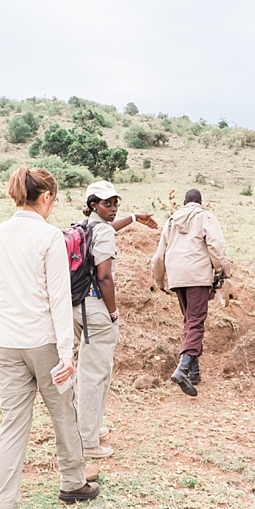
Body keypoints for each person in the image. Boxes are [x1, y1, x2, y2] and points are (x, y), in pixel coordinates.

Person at [0, 166, 100, 509]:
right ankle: (72, 482)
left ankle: (4, 508)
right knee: (63, 412)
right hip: (44, 341)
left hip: (6, 340)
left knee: (12, 423)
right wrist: (67, 354)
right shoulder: (50, 237)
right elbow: (58, 298)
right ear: (46, 197)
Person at [73, 181, 158, 459]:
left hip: (77, 307)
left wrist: (133, 218)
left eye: (115, 203)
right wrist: (113, 311)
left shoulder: (84, 227)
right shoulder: (103, 233)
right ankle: (87, 442)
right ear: (93, 205)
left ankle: (91, 428)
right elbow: (104, 276)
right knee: (94, 375)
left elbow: (108, 228)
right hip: (98, 308)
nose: (113, 208)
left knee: (95, 369)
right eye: (107, 204)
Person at [150, 188, 230, 397]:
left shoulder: (171, 221)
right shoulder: (206, 217)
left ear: (184, 203)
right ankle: (182, 369)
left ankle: (194, 372)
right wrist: (221, 271)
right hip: (197, 275)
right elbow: (216, 246)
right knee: (196, 322)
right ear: (201, 202)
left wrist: (159, 280)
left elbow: (159, 255)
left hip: (177, 276)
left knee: (189, 320)